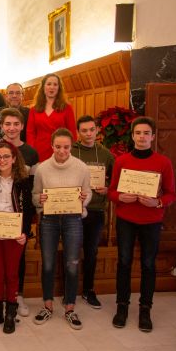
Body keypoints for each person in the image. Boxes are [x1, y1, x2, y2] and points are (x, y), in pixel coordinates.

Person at [109, 116, 176, 332]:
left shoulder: (163, 162)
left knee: (148, 265)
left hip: (151, 220)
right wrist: (121, 197)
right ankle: (122, 307)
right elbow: (112, 191)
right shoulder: (122, 161)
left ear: (153, 137)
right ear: (133, 135)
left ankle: (145, 309)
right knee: (124, 262)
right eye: (138, 133)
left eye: (146, 133)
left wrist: (157, 202)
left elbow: (171, 194)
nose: (142, 137)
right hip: (126, 219)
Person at [32, 128, 91, 330]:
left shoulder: (82, 168)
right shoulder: (42, 168)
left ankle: (70, 307)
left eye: (66, 147)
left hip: (73, 219)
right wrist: (39, 200)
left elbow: (87, 192)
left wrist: (85, 198)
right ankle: (47, 305)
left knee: (72, 263)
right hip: (48, 219)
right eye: (58, 146)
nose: (62, 151)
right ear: (52, 146)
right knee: (48, 264)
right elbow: (35, 195)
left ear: (71, 146)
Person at [0, 108, 39, 318]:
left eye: (16, 124)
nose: (3, 160)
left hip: (15, 230)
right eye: (7, 124)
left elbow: (28, 203)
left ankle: (14, 303)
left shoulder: (30, 158)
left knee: (13, 270)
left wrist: (25, 231)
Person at [71, 115, 115, 309]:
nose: (88, 134)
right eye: (84, 130)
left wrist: (107, 189)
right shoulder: (70, 151)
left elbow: (115, 182)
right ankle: (69, 290)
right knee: (71, 252)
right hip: (73, 209)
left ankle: (89, 290)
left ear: (97, 130)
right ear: (78, 133)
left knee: (91, 252)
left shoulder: (106, 154)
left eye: (91, 130)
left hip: (96, 209)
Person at [26, 73, 77, 162]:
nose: (52, 87)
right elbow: (30, 133)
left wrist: (67, 150)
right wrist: (32, 151)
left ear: (59, 88)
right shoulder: (34, 109)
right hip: (39, 152)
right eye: (49, 84)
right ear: (43, 87)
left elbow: (72, 133)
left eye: (55, 84)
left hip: (61, 151)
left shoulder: (67, 108)